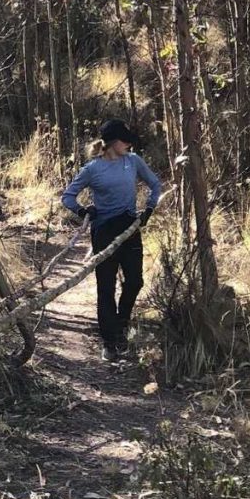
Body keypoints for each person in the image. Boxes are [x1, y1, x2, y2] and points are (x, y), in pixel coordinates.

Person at [60, 118, 162, 362]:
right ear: (113, 142)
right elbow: (68, 197)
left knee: (135, 281)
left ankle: (121, 324)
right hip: (104, 231)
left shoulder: (133, 161)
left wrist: (148, 209)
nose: (129, 144)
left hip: (129, 227)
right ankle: (109, 341)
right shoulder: (92, 169)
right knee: (106, 287)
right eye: (125, 140)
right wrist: (84, 211)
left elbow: (155, 184)